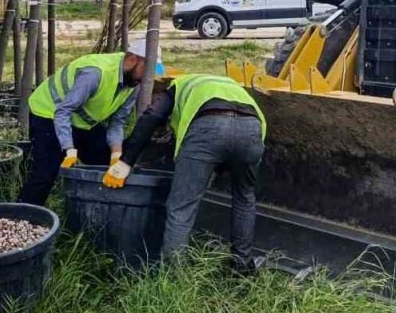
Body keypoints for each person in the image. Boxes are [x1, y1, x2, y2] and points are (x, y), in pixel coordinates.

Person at [104, 73, 266, 270]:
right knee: (244, 197)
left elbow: (152, 116)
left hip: (208, 127)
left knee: (181, 208)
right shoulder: (231, 85)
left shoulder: (177, 86)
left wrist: (126, 161)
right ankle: (242, 266)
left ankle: (173, 275)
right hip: (252, 129)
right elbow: (233, 142)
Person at [19, 39, 157, 205]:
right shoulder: (95, 74)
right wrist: (69, 149)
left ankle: (100, 208)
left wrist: (116, 154)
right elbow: (63, 112)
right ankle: (23, 215)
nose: (148, 76)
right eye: (146, 69)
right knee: (46, 172)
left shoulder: (133, 84)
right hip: (49, 112)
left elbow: (118, 122)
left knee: (109, 162)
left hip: (81, 121)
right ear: (133, 59)